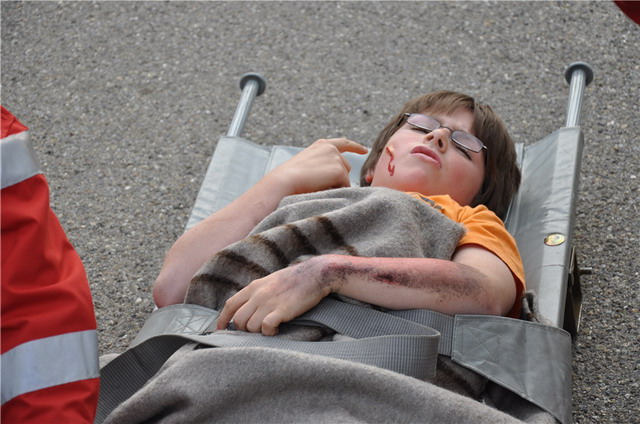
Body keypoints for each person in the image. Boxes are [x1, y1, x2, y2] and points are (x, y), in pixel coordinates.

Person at [153, 90, 524, 337]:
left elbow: (486, 292)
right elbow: (173, 289)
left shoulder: (469, 219)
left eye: (464, 145)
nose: (437, 136)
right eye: (421, 125)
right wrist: (280, 181)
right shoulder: (303, 199)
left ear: (482, 193)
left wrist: (327, 273)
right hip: (229, 348)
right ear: (371, 166)